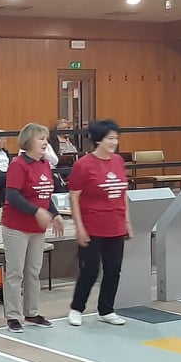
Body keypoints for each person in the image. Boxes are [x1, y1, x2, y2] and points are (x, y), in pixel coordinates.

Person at [1, 123, 64, 333]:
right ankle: (12, 316)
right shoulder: (18, 165)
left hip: (38, 229)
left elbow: (44, 195)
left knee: (33, 272)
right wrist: (36, 211)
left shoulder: (45, 164)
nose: (45, 142)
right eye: (40, 138)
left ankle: (31, 313)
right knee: (15, 272)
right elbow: (12, 195)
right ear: (28, 141)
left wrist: (55, 214)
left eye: (46, 138)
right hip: (17, 227)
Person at [67, 119, 131, 327]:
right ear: (98, 140)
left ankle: (106, 309)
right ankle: (77, 308)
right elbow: (74, 197)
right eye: (109, 138)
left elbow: (123, 194)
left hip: (115, 225)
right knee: (90, 270)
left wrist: (127, 221)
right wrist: (79, 227)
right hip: (92, 226)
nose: (114, 142)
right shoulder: (83, 165)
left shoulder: (118, 161)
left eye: (116, 138)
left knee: (114, 269)